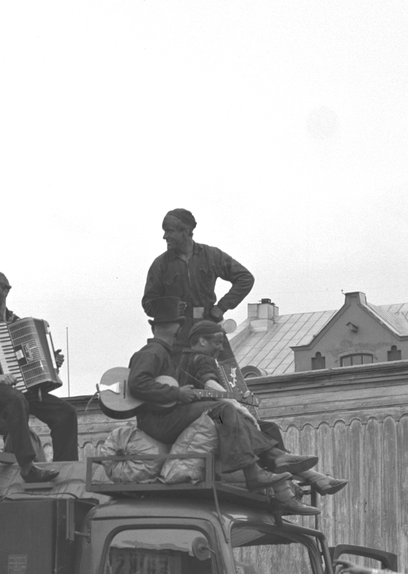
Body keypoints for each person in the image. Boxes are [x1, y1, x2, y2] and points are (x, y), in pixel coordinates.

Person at [128, 297, 304, 495]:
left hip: (165, 417)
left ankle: (270, 466)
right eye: (179, 324)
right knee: (223, 410)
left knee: (226, 413)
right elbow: (137, 383)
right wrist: (177, 393)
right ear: (173, 326)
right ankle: (256, 472)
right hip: (157, 422)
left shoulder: (166, 354)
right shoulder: (152, 352)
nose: (181, 329)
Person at [177, 320, 348, 497]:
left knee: (268, 428)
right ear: (202, 341)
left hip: (211, 416)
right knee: (249, 425)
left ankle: (297, 470)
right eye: (217, 342)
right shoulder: (201, 358)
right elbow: (210, 384)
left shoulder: (186, 359)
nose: (220, 348)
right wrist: (240, 408)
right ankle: (301, 478)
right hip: (213, 418)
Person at [0, 270, 77, 483]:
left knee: (65, 412)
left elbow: (30, 361)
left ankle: (66, 468)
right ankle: (27, 467)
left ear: (6, 291)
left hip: (17, 387)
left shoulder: (16, 323)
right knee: (16, 399)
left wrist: (51, 363)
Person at [142, 209, 255, 347]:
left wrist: (221, 307)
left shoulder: (211, 255)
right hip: (178, 337)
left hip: (209, 329)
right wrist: (169, 308)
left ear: (185, 231)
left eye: (169, 231)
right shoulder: (161, 264)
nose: (165, 236)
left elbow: (245, 278)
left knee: (225, 361)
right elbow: (148, 303)